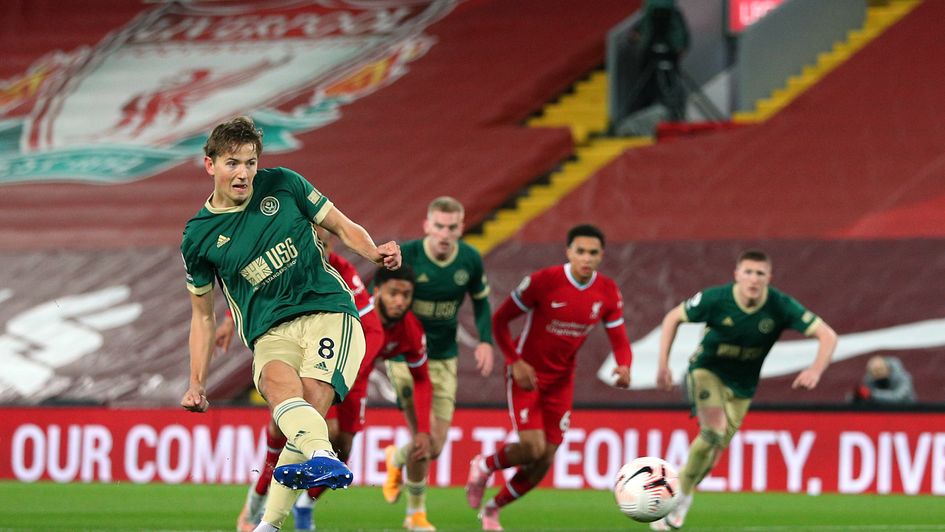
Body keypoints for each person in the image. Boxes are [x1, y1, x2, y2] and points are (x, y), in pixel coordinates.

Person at [179, 116, 401, 532]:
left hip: (327, 312)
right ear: (209, 165)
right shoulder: (198, 237)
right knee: (286, 403)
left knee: (310, 404)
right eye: (232, 163)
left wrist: (373, 252)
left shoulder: (284, 183)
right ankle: (315, 463)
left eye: (250, 162)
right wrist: (197, 382)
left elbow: (339, 223)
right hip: (269, 332)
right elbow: (203, 316)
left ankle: (269, 523)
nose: (243, 173)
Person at [649, 249, 838, 531]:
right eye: (748, 272)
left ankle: (683, 490)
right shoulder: (716, 299)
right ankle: (679, 497)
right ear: (736, 275)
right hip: (706, 371)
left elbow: (828, 335)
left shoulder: (779, 306)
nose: (753, 279)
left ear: (769, 278)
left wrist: (815, 370)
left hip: (743, 387)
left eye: (760, 274)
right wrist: (663, 364)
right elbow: (672, 318)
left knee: (711, 458)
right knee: (712, 431)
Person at [464, 224, 633, 531]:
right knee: (532, 448)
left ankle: (493, 508)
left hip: (561, 381)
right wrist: (514, 361)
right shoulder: (543, 282)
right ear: (568, 252)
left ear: (601, 256)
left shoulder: (607, 291)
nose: (586, 258)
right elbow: (500, 320)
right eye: (580, 251)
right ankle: (484, 465)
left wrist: (624, 366)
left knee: (544, 459)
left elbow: (620, 340)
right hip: (526, 375)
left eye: (593, 253)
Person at [232, 228, 386, 532]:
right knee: (291, 429)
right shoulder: (288, 266)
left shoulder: (343, 272)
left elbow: (374, 330)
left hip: (345, 365)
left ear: (334, 243)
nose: (318, 248)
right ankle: (258, 501)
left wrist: (348, 370)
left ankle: (302, 504)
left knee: (342, 444)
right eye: (312, 242)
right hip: (304, 362)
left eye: (324, 243)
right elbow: (251, 289)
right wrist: (228, 320)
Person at [383, 196, 495, 529]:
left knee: (434, 446)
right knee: (423, 436)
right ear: (427, 226)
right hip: (406, 357)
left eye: (452, 227)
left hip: (445, 358)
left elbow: (481, 302)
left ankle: (396, 458)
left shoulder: (470, 260)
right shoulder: (409, 257)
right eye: (439, 226)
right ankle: (415, 514)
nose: (445, 234)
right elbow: (382, 298)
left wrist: (486, 341)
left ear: (461, 228)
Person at [851, 355, 916, 405]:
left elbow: (898, 398)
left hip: (906, 413)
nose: (878, 373)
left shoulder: (903, 378)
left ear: (888, 368)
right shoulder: (869, 380)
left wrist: (872, 394)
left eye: (880, 369)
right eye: (874, 371)